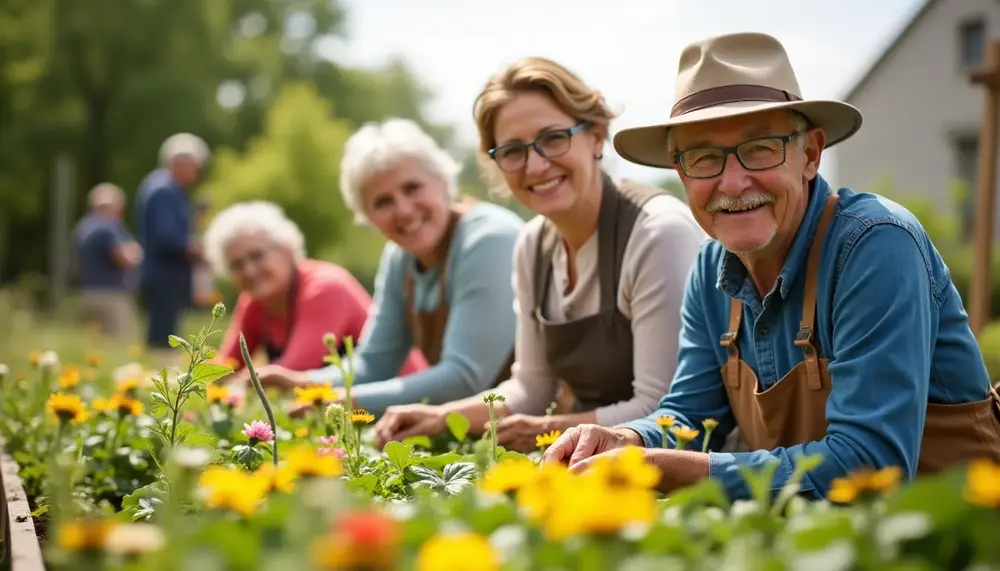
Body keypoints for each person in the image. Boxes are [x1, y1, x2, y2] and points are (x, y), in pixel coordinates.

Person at [543, 32, 1000, 500]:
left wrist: (668, 468)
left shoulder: (875, 245)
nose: (733, 181)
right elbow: (690, 417)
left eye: (760, 148)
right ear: (681, 173)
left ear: (810, 155)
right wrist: (629, 438)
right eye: (704, 157)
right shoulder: (708, 271)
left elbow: (871, 462)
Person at [373, 57, 708, 452]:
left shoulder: (656, 233)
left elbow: (663, 410)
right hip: (585, 460)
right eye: (513, 150)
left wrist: (548, 428)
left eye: (553, 138)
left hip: (681, 466)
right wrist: (442, 416)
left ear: (596, 136)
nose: (535, 164)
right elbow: (530, 387)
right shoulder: (532, 246)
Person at [247, 118, 524, 418]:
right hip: (479, 429)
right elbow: (374, 364)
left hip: (540, 428)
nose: (403, 210)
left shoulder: (488, 239)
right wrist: (305, 383)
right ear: (368, 217)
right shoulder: (400, 258)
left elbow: (463, 379)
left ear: (444, 181)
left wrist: (344, 403)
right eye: (383, 202)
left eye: (412, 187)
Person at [203, 201, 426, 375]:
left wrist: (234, 393)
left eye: (257, 256)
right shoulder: (253, 304)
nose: (249, 271)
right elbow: (226, 369)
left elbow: (291, 372)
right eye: (237, 265)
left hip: (406, 401)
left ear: (286, 250)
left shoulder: (325, 288)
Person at [135, 133, 209, 359]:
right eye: (195, 166)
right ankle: (157, 384)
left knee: (162, 331)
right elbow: (166, 235)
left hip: (164, 273)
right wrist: (198, 249)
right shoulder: (163, 189)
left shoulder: (166, 188)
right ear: (181, 163)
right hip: (164, 274)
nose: (197, 173)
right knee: (163, 337)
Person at [71, 183, 143, 339]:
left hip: (87, 293)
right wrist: (137, 251)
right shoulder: (108, 228)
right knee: (121, 344)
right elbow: (124, 258)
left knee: (94, 345)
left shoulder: (83, 227)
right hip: (112, 297)